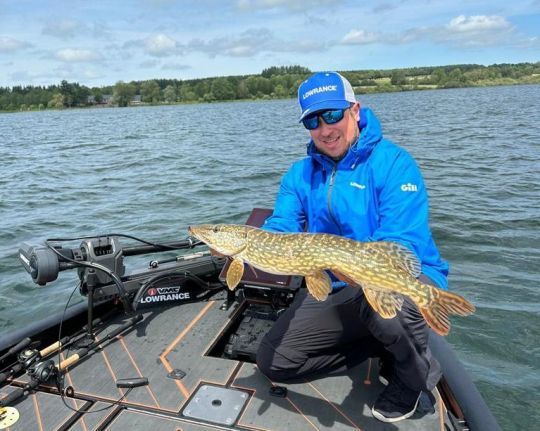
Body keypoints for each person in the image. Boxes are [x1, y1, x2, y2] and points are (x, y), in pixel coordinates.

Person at [255, 71, 449, 423]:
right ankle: (374, 343)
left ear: (355, 111)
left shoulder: (394, 164)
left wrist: (358, 268)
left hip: (403, 275)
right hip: (338, 284)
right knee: (274, 361)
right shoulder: (298, 175)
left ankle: (414, 377)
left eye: (332, 114)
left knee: (391, 312)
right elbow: (281, 226)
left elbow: (401, 243)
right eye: (313, 120)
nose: (325, 129)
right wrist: (251, 241)